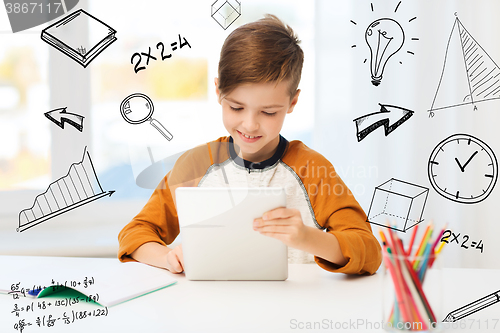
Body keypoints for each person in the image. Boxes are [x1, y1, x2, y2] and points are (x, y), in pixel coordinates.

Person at [118, 14, 382, 275]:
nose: (250, 124)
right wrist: (168, 257)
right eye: (236, 107)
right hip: (212, 311)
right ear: (219, 92)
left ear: (292, 103)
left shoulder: (312, 170)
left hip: (292, 311)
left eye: (268, 112)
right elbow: (134, 234)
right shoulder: (195, 166)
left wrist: (308, 238)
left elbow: (369, 251)